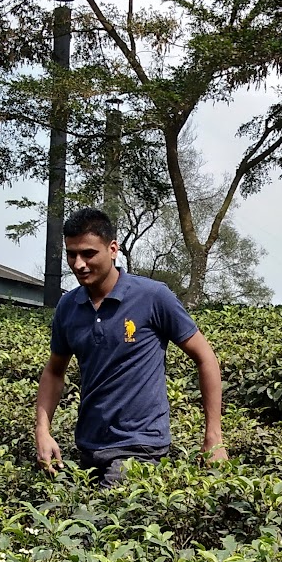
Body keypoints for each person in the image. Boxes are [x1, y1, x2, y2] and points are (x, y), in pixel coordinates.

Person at [35, 207, 226, 487]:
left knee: (92, 525)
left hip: (140, 448)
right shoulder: (68, 306)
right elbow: (54, 372)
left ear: (113, 249)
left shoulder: (152, 296)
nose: (78, 264)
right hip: (89, 448)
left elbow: (205, 357)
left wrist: (214, 436)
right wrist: (42, 430)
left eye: (88, 254)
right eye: (72, 255)